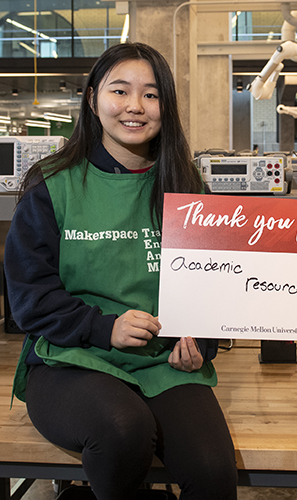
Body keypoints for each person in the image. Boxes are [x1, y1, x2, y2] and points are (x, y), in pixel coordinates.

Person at [5, 42, 238, 500]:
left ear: (165, 106)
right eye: (120, 91)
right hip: (71, 359)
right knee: (122, 430)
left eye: (151, 95)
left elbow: (213, 287)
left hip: (164, 364)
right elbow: (29, 298)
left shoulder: (189, 188)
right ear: (92, 99)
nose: (135, 106)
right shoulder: (52, 185)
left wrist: (201, 341)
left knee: (212, 470)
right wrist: (103, 327)